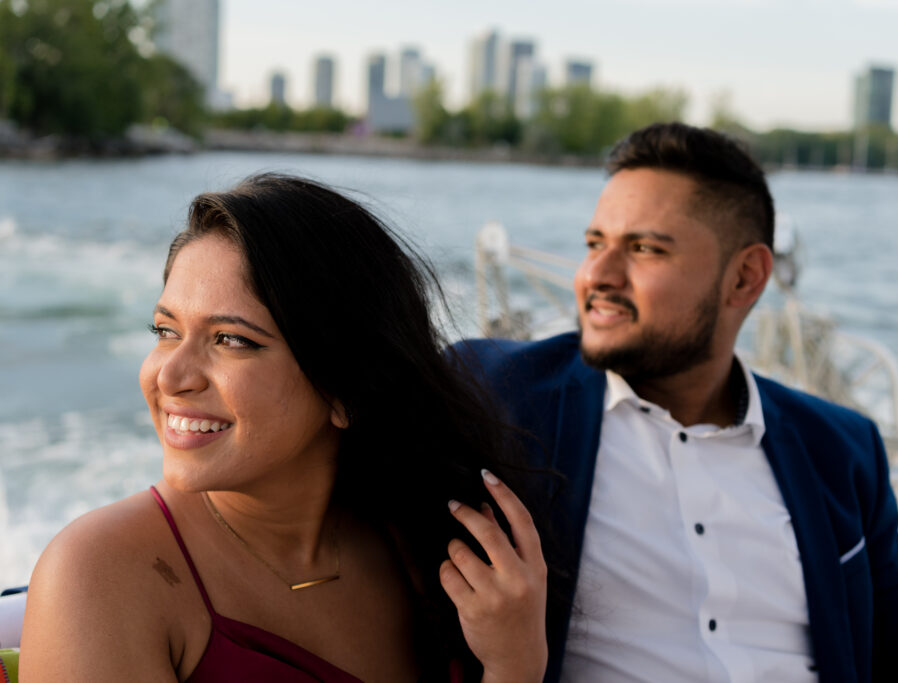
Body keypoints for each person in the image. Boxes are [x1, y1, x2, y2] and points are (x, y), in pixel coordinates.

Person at [453, 123, 898, 682]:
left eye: (644, 249)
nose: (596, 276)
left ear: (745, 277)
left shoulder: (843, 450)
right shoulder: (493, 394)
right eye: (594, 244)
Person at [21, 174, 548, 682]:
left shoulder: (427, 548)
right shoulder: (98, 576)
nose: (170, 376)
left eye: (230, 339)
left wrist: (515, 660)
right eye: (165, 331)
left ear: (345, 389)